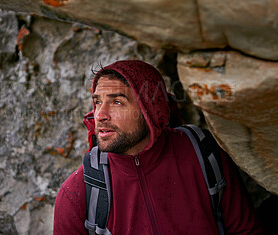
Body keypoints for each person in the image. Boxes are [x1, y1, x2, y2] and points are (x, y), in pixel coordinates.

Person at [53, 60, 263, 234]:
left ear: (150, 109)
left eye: (117, 102)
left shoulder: (202, 154)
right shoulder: (78, 193)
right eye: (97, 102)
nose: (99, 115)